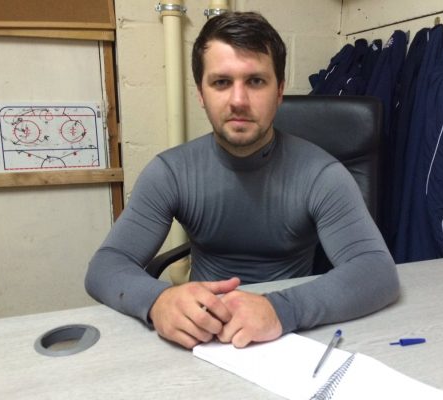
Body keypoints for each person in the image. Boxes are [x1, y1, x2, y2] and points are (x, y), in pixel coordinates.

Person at [85, 11, 400, 350]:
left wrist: (281, 309)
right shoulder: (171, 173)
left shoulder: (322, 175)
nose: (238, 100)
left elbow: (376, 271)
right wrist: (158, 300)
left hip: (289, 333)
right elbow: (106, 265)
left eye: (256, 81)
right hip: (201, 334)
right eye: (221, 82)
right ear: (201, 93)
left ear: (279, 91)